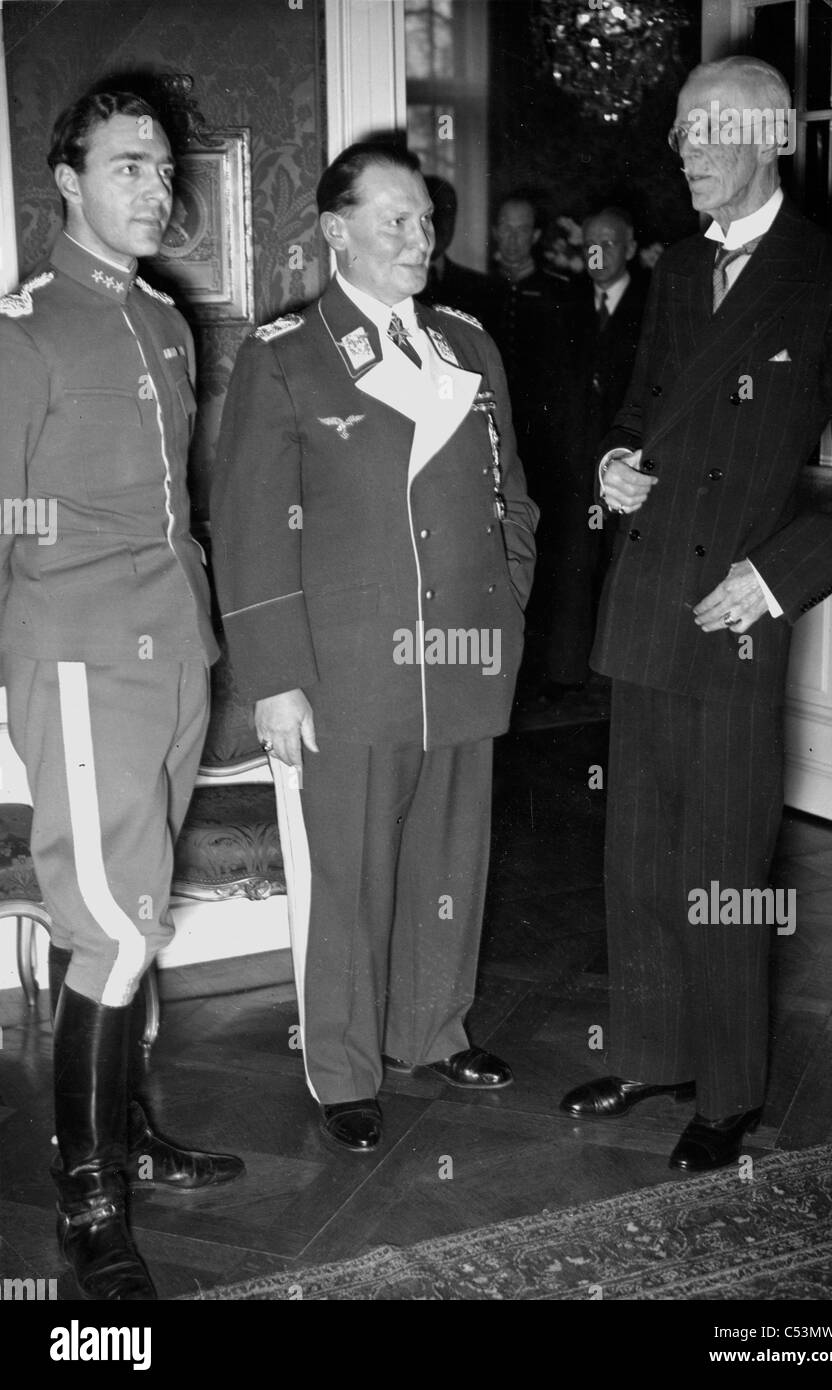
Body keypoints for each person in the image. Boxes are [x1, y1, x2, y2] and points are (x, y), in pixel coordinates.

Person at [560, 57, 832, 1170]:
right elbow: (646, 409)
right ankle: (653, 1048)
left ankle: (733, 1090)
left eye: (709, 130)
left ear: (773, 136)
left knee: (723, 864)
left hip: (740, 607)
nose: (686, 151)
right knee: (638, 851)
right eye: (681, 131)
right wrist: (616, 462)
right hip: (653, 593)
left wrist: (779, 578)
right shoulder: (676, 273)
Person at [211, 142, 537, 1155]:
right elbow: (252, 527)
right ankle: (343, 1067)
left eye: (426, 219)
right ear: (336, 231)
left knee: (452, 853)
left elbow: (511, 495)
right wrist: (275, 681)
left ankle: (433, 1029)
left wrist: (511, 604)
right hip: (346, 669)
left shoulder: (469, 347)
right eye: (393, 219)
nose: (418, 237)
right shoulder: (286, 356)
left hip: (466, 658)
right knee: (348, 875)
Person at [0, 91, 246, 1301]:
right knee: (111, 920)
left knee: (123, 908)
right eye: (128, 167)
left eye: (164, 169)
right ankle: (91, 1194)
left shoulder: (162, 318)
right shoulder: (24, 329)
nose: (157, 189)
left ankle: (122, 1125)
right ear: (67, 180)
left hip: (172, 651)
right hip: (83, 663)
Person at [543, 206, 650, 698]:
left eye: (609, 241)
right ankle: (569, 675)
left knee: (623, 571)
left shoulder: (653, 304)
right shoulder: (562, 304)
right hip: (570, 470)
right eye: (589, 241)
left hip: (632, 470)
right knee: (571, 571)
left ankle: (616, 679)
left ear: (629, 247)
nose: (597, 252)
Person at [486, 194, 578, 686]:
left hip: (543, 446)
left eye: (524, 229)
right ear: (496, 231)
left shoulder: (559, 294)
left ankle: (542, 668)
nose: (514, 238)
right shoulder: (473, 292)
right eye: (507, 227)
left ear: (536, 236)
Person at [416, 175, 492, 323]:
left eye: (448, 213)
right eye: (432, 215)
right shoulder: (394, 282)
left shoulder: (478, 287)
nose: (441, 224)